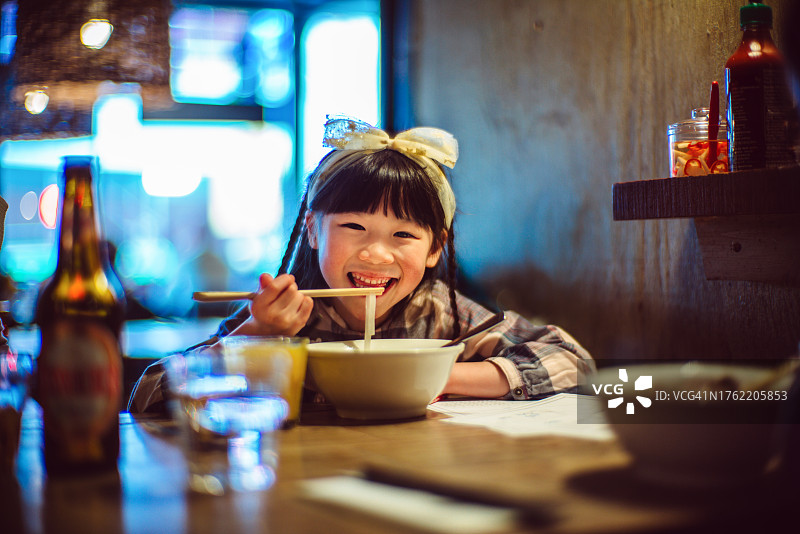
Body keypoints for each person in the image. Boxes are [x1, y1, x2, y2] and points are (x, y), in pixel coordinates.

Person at [129, 117, 593, 413]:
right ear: (313, 230)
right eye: (354, 227)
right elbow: (149, 395)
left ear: (435, 249)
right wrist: (255, 336)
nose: (376, 254)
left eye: (404, 235)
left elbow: (574, 361)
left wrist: (434, 375)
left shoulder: (440, 315)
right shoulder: (284, 315)